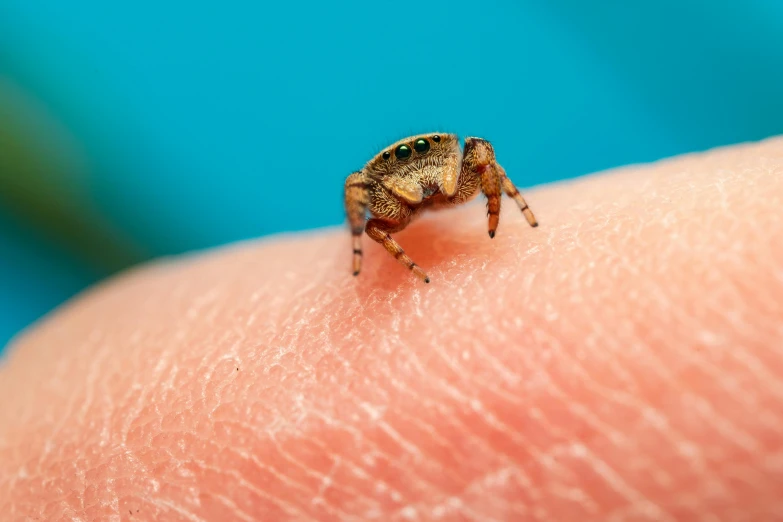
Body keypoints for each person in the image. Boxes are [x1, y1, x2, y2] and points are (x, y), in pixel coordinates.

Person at [1, 137, 781, 520]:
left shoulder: (462, 160)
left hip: (440, 191)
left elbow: (478, 159)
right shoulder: (384, 194)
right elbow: (371, 202)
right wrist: (376, 255)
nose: (443, 165)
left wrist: (510, 208)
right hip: (399, 205)